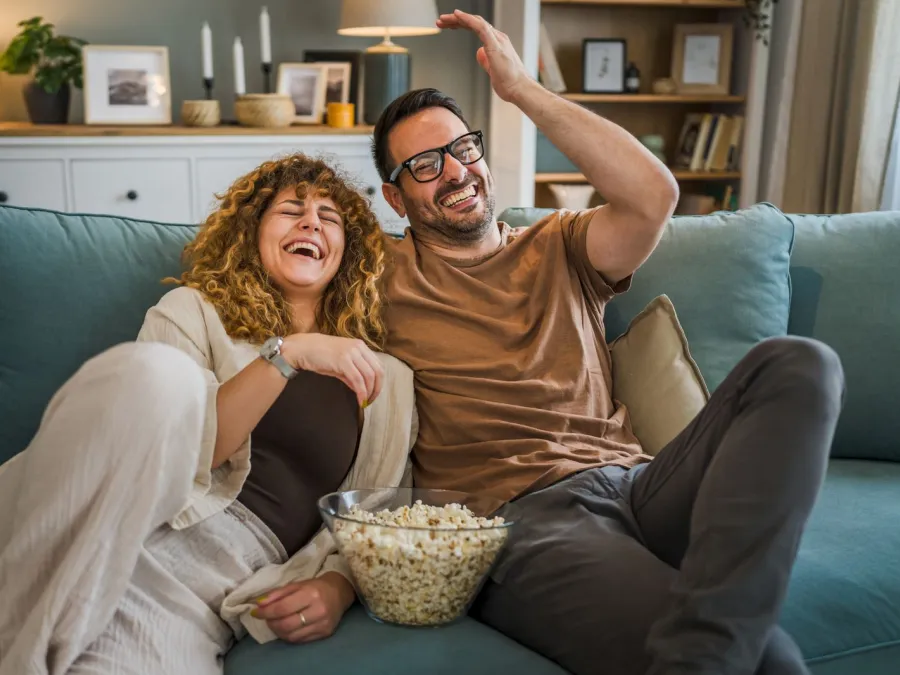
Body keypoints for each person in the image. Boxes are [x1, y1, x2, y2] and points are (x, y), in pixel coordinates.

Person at [372, 9, 845, 675]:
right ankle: (708, 652)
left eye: (463, 148)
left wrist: (522, 91)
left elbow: (654, 196)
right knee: (770, 663)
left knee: (800, 364)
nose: (455, 172)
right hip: (523, 521)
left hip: (639, 485)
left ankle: (700, 652)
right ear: (396, 200)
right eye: (425, 165)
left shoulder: (560, 242)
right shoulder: (378, 277)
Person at [0, 154, 417, 675]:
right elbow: (189, 445)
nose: (311, 221)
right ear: (251, 233)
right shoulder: (192, 310)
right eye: (291, 210)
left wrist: (340, 585)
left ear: (347, 254)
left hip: (206, 580)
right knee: (156, 376)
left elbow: (378, 514)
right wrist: (288, 353)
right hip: (116, 504)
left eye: (328, 219)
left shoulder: (389, 379)